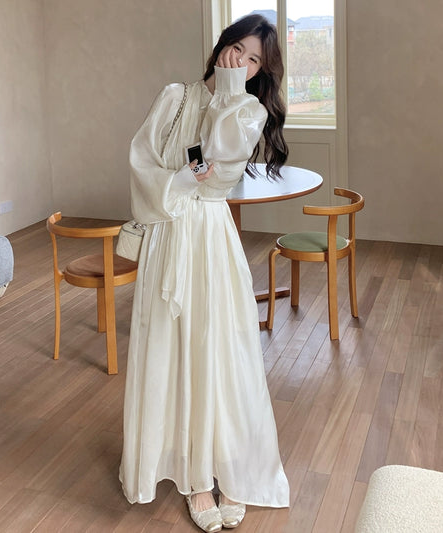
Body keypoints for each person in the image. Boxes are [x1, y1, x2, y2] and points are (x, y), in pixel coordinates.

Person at [119, 14, 290, 532]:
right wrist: (182, 180)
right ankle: (193, 480)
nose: (241, 61)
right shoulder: (174, 97)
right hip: (170, 235)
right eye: (237, 48)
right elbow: (142, 162)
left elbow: (219, 167)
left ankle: (227, 465)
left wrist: (230, 95)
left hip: (212, 237)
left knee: (220, 348)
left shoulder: (248, 112)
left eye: (254, 60)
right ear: (221, 45)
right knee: (171, 348)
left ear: (260, 72)